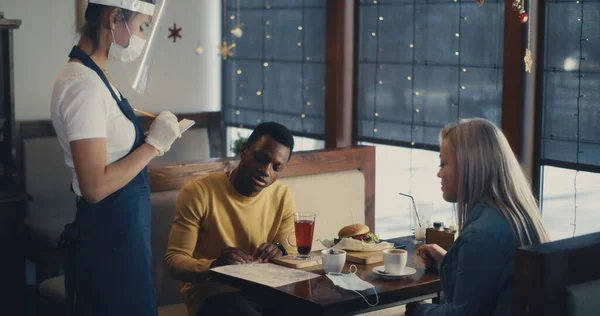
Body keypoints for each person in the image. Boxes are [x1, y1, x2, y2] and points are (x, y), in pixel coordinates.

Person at [51, 0, 180, 314]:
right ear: (114, 18)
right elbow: (94, 187)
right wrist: (153, 146)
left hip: (125, 235)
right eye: (140, 25)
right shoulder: (83, 86)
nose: (140, 34)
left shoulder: (98, 78)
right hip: (108, 238)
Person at [407, 118, 550, 316]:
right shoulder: (516, 216)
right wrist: (449, 261)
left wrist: (418, 309)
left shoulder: (481, 236)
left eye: (443, 163)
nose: (439, 174)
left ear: (469, 166)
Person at [165, 122, 296, 316]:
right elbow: (173, 262)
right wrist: (215, 266)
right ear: (244, 151)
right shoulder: (198, 192)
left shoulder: (282, 195)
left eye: (276, 167)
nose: (266, 171)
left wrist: (279, 250)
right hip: (212, 296)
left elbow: (292, 253)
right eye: (261, 159)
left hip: (264, 292)